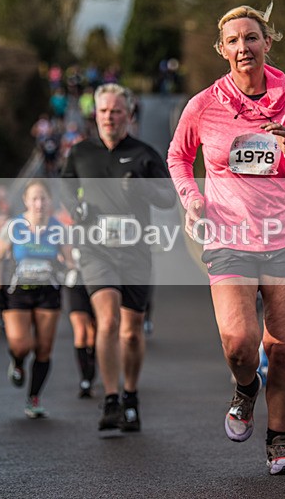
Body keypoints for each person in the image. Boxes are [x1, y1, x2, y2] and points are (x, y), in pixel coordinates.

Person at [167, 3, 285, 475]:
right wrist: (191, 197)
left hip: (284, 237)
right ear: (222, 51)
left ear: (267, 43)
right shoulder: (204, 105)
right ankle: (245, 388)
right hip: (229, 237)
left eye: (251, 38)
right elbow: (178, 157)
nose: (243, 47)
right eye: (233, 41)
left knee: (283, 346)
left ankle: (280, 442)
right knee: (240, 341)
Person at [62, 83, 176, 433]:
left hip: (136, 253)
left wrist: (140, 187)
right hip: (97, 251)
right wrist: (77, 209)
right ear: (95, 115)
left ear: (129, 115)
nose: (109, 117)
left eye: (116, 111)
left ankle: (131, 395)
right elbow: (66, 188)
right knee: (107, 322)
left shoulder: (144, 153)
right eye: (103, 111)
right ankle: (110, 398)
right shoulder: (80, 153)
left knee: (130, 332)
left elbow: (168, 198)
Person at [0, 180, 73, 418]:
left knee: (44, 348)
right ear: (26, 200)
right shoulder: (13, 227)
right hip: (18, 292)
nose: (39, 203)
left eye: (43, 198)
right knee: (21, 344)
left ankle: (33, 398)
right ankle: (17, 362)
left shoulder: (58, 227)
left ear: (50, 201)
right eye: (34, 198)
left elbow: (69, 259)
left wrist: (71, 269)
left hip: (48, 292)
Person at [62, 249, 97, 398]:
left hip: (98, 282)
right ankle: (85, 379)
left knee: (93, 333)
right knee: (81, 331)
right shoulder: (64, 230)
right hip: (75, 283)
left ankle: (92, 366)